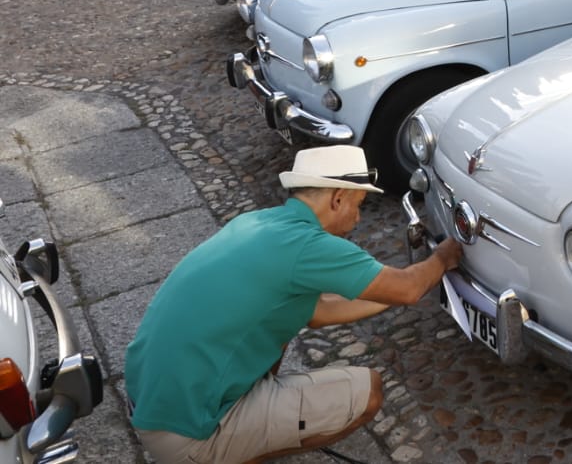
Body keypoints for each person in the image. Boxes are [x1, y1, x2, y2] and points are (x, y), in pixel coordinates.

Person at [125, 146, 462, 464]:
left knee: (279, 324)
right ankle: (237, 453)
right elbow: (407, 288)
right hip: (188, 434)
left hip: (148, 402)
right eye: (357, 205)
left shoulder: (257, 223)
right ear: (337, 198)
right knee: (369, 391)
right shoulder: (307, 245)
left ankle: (244, 430)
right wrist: (445, 256)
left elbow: (319, 312)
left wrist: (391, 296)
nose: (358, 218)